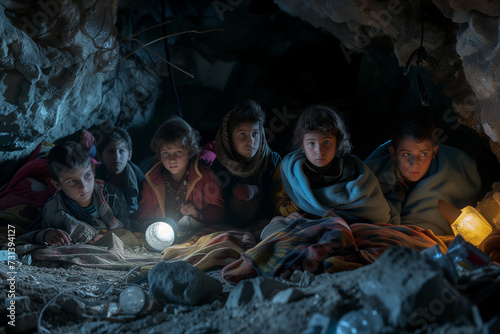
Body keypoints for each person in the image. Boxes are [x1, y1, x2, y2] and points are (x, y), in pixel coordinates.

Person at [264, 105, 396, 239]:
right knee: (276, 222)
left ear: (337, 143)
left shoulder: (351, 168)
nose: (319, 150)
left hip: (343, 223)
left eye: (326, 142)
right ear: (301, 146)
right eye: (311, 143)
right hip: (306, 221)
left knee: (344, 232)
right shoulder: (292, 171)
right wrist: (292, 212)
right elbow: (281, 202)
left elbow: (372, 205)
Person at [364, 110, 481, 235]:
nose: (415, 163)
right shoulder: (372, 176)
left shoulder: (454, 173)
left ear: (434, 152)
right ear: (393, 153)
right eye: (406, 154)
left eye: (423, 154)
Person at [16, 141, 132, 246]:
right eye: (72, 181)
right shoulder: (55, 209)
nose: (83, 186)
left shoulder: (111, 195)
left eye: (87, 176)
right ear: (57, 185)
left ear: (93, 170)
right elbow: (28, 234)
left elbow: (127, 225)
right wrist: (47, 235)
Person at [135, 116, 224, 233]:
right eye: (166, 153)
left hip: (197, 232)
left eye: (178, 152)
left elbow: (218, 210)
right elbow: (145, 212)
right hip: (164, 236)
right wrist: (152, 228)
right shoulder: (152, 180)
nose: (172, 159)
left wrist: (199, 214)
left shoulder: (205, 176)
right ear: (159, 155)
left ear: (190, 151)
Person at [210, 99, 281, 230]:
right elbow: (216, 207)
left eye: (255, 134)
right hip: (230, 224)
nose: (251, 141)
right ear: (229, 138)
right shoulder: (219, 167)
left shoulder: (272, 160)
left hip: (265, 221)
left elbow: (278, 199)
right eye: (242, 134)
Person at [95, 126, 145, 214]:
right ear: (100, 157)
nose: (117, 157)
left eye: (121, 151)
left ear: (129, 155)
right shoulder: (95, 177)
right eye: (111, 151)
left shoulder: (140, 180)